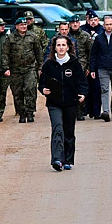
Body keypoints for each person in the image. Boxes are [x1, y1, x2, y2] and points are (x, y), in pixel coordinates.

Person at [39, 35, 88, 171]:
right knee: (57, 129)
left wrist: (83, 94)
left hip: (71, 103)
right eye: (58, 45)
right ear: (54, 47)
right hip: (54, 103)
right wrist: (43, 89)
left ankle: (67, 159)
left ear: (68, 47)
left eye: (63, 45)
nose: (61, 48)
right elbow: (41, 82)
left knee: (68, 131)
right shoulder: (49, 64)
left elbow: (83, 82)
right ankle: (57, 159)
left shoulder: (74, 64)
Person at [3, 16, 43, 123]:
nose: (24, 26)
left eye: (25, 24)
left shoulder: (33, 37)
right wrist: (6, 68)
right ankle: (21, 113)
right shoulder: (10, 38)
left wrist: (40, 66)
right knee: (18, 92)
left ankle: (30, 112)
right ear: (16, 26)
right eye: (21, 25)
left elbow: (38, 52)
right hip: (15, 69)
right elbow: (5, 54)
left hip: (30, 68)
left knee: (30, 89)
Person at [89, 16, 112, 122]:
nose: (109, 26)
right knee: (104, 89)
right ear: (103, 25)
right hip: (102, 68)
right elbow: (94, 54)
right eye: (107, 24)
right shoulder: (99, 38)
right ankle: (105, 111)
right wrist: (92, 69)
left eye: (110, 24)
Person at [68, 14, 92, 121]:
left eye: (77, 23)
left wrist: (89, 67)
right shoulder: (66, 36)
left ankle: (80, 111)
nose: (75, 24)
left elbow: (91, 53)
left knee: (81, 89)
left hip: (82, 66)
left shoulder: (85, 36)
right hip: (68, 66)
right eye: (73, 23)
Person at [81, 10, 103, 119]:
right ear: (88, 20)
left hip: (98, 63)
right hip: (85, 63)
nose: (93, 22)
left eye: (95, 20)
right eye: (91, 20)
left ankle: (96, 111)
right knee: (86, 88)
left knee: (97, 89)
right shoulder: (83, 30)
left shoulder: (102, 31)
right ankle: (85, 110)